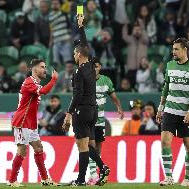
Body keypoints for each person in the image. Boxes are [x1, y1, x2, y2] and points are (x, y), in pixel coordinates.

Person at [62, 15, 110, 186]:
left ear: (78, 54)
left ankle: (81, 180)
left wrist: (68, 113)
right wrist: (81, 26)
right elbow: (85, 45)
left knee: (82, 146)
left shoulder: (78, 72)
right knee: (88, 145)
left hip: (81, 110)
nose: (74, 55)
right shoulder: (90, 65)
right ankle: (102, 167)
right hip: (93, 111)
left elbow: (77, 95)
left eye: (75, 53)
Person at [156, 38, 189, 186]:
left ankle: (188, 178)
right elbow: (166, 87)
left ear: (185, 50)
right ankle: (169, 177)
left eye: (176, 49)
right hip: (170, 109)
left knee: (188, 145)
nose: (173, 52)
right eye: (173, 49)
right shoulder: (169, 65)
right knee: (164, 141)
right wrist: (160, 108)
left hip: (186, 113)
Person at [8, 59, 59, 187]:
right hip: (22, 121)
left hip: (31, 122)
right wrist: (53, 80)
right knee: (22, 150)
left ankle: (45, 179)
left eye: (45, 67)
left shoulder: (36, 83)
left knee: (38, 148)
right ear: (34, 69)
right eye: (42, 67)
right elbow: (43, 92)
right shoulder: (29, 82)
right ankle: (12, 180)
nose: (45, 69)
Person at [87, 57, 124, 185]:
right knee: (90, 146)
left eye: (96, 66)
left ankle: (99, 172)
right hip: (89, 119)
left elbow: (113, 97)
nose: (94, 69)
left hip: (101, 119)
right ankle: (92, 175)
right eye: (92, 66)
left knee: (98, 148)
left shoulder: (106, 80)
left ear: (100, 67)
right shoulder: (86, 80)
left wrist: (119, 108)